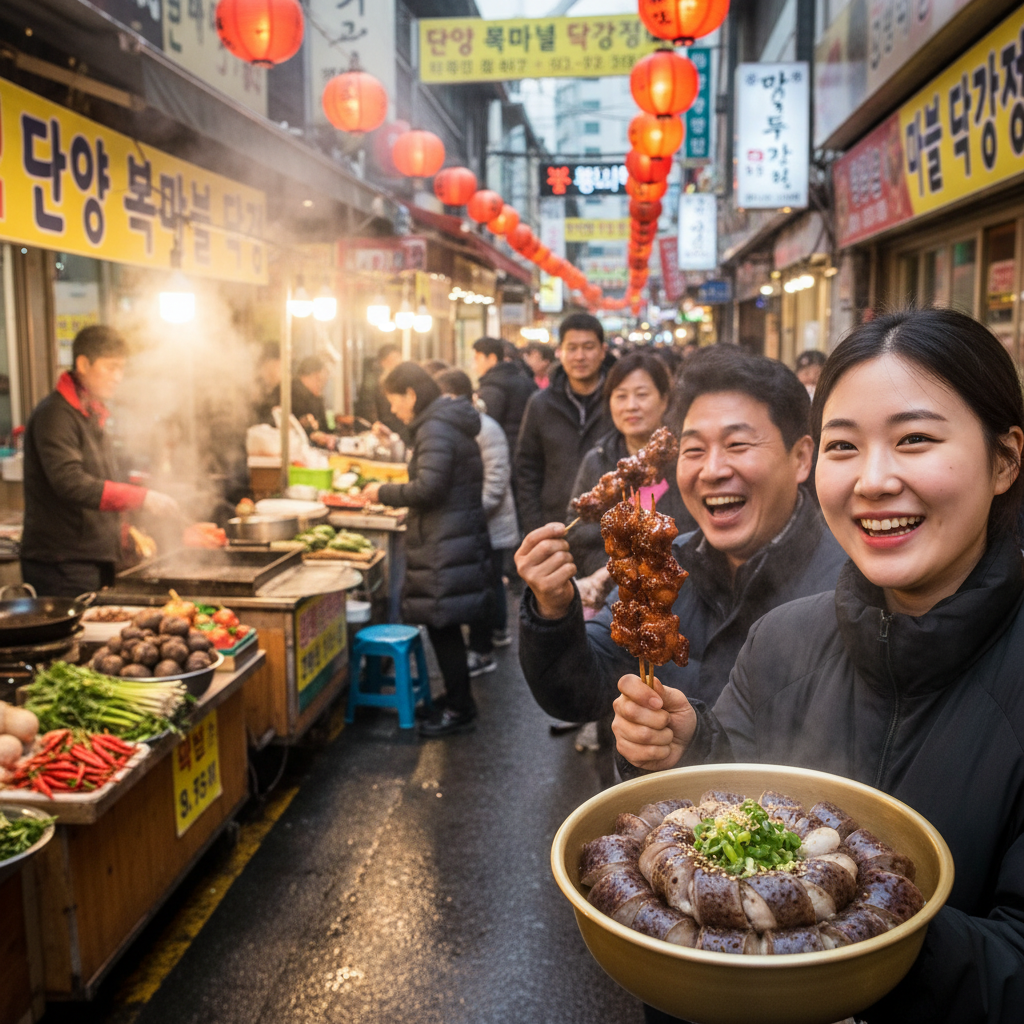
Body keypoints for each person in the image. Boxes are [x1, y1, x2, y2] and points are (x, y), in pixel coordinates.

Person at [613, 308, 1024, 1023]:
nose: (872, 480)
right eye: (845, 446)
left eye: (915, 439)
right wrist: (690, 753)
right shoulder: (784, 640)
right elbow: (740, 794)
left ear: (1005, 459)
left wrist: (848, 925)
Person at [515, 345, 846, 735]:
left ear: (801, 458)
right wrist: (552, 612)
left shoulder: (852, 587)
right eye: (694, 449)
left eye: (737, 444)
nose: (713, 469)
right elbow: (578, 692)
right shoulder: (662, 565)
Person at [361, 363, 491, 738]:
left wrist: (382, 493)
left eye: (394, 401)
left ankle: (459, 709)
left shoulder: (435, 427)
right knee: (442, 625)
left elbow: (430, 487)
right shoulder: (442, 423)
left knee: (442, 624)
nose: (394, 410)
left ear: (411, 395)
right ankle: (454, 698)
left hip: (444, 541)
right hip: (451, 536)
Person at [21, 325, 179, 597]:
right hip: (61, 563)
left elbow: (103, 480)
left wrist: (126, 529)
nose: (118, 377)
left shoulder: (90, 414)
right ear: (83, 364)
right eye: (111, 367)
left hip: (91, 558)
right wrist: (142, 498)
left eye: (122, 369)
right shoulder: (55, 416)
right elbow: (70, 483)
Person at [568, 350, 696, 616]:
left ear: (664, 400)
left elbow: (697, 531)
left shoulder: (690, 458)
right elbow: (580, 532)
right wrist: (614, 572)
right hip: (615, 600)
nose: (631, 406)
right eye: (621, 396)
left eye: (642, 394)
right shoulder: (598, 461)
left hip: (684, 598)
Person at [435, 368, 518, 675]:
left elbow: (495, 485)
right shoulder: (459, 427)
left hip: (489, 524)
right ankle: (496, 633)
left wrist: (465, 514)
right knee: (488, 582)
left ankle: (485, 648)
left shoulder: (486, 428)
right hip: (474, 522)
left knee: (488, 584)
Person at [515, 313, 615, 535]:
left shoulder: (619, 401)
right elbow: (526, 470)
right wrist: (535, 526)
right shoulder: (540, 404)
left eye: (588, 347)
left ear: (602, 351)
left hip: (613, 529)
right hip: (556, 525)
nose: (580, 356)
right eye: (572, 348)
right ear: (560, 352)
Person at [472, 336, 537, 459]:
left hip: (505, 454)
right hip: (528, 452)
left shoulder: (492, 387)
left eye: (477, 359)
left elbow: (486, 426)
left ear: (492, 358)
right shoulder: (525, 380)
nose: (474, 365)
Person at [355, 343, 409, 445]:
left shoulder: (403, 379)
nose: (398, 362)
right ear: (383, 362)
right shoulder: (374, 381)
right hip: (384, 426)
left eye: (399, 357)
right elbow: (368, 404)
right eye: (394, 358)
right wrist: (375, 423)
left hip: (401, 426)